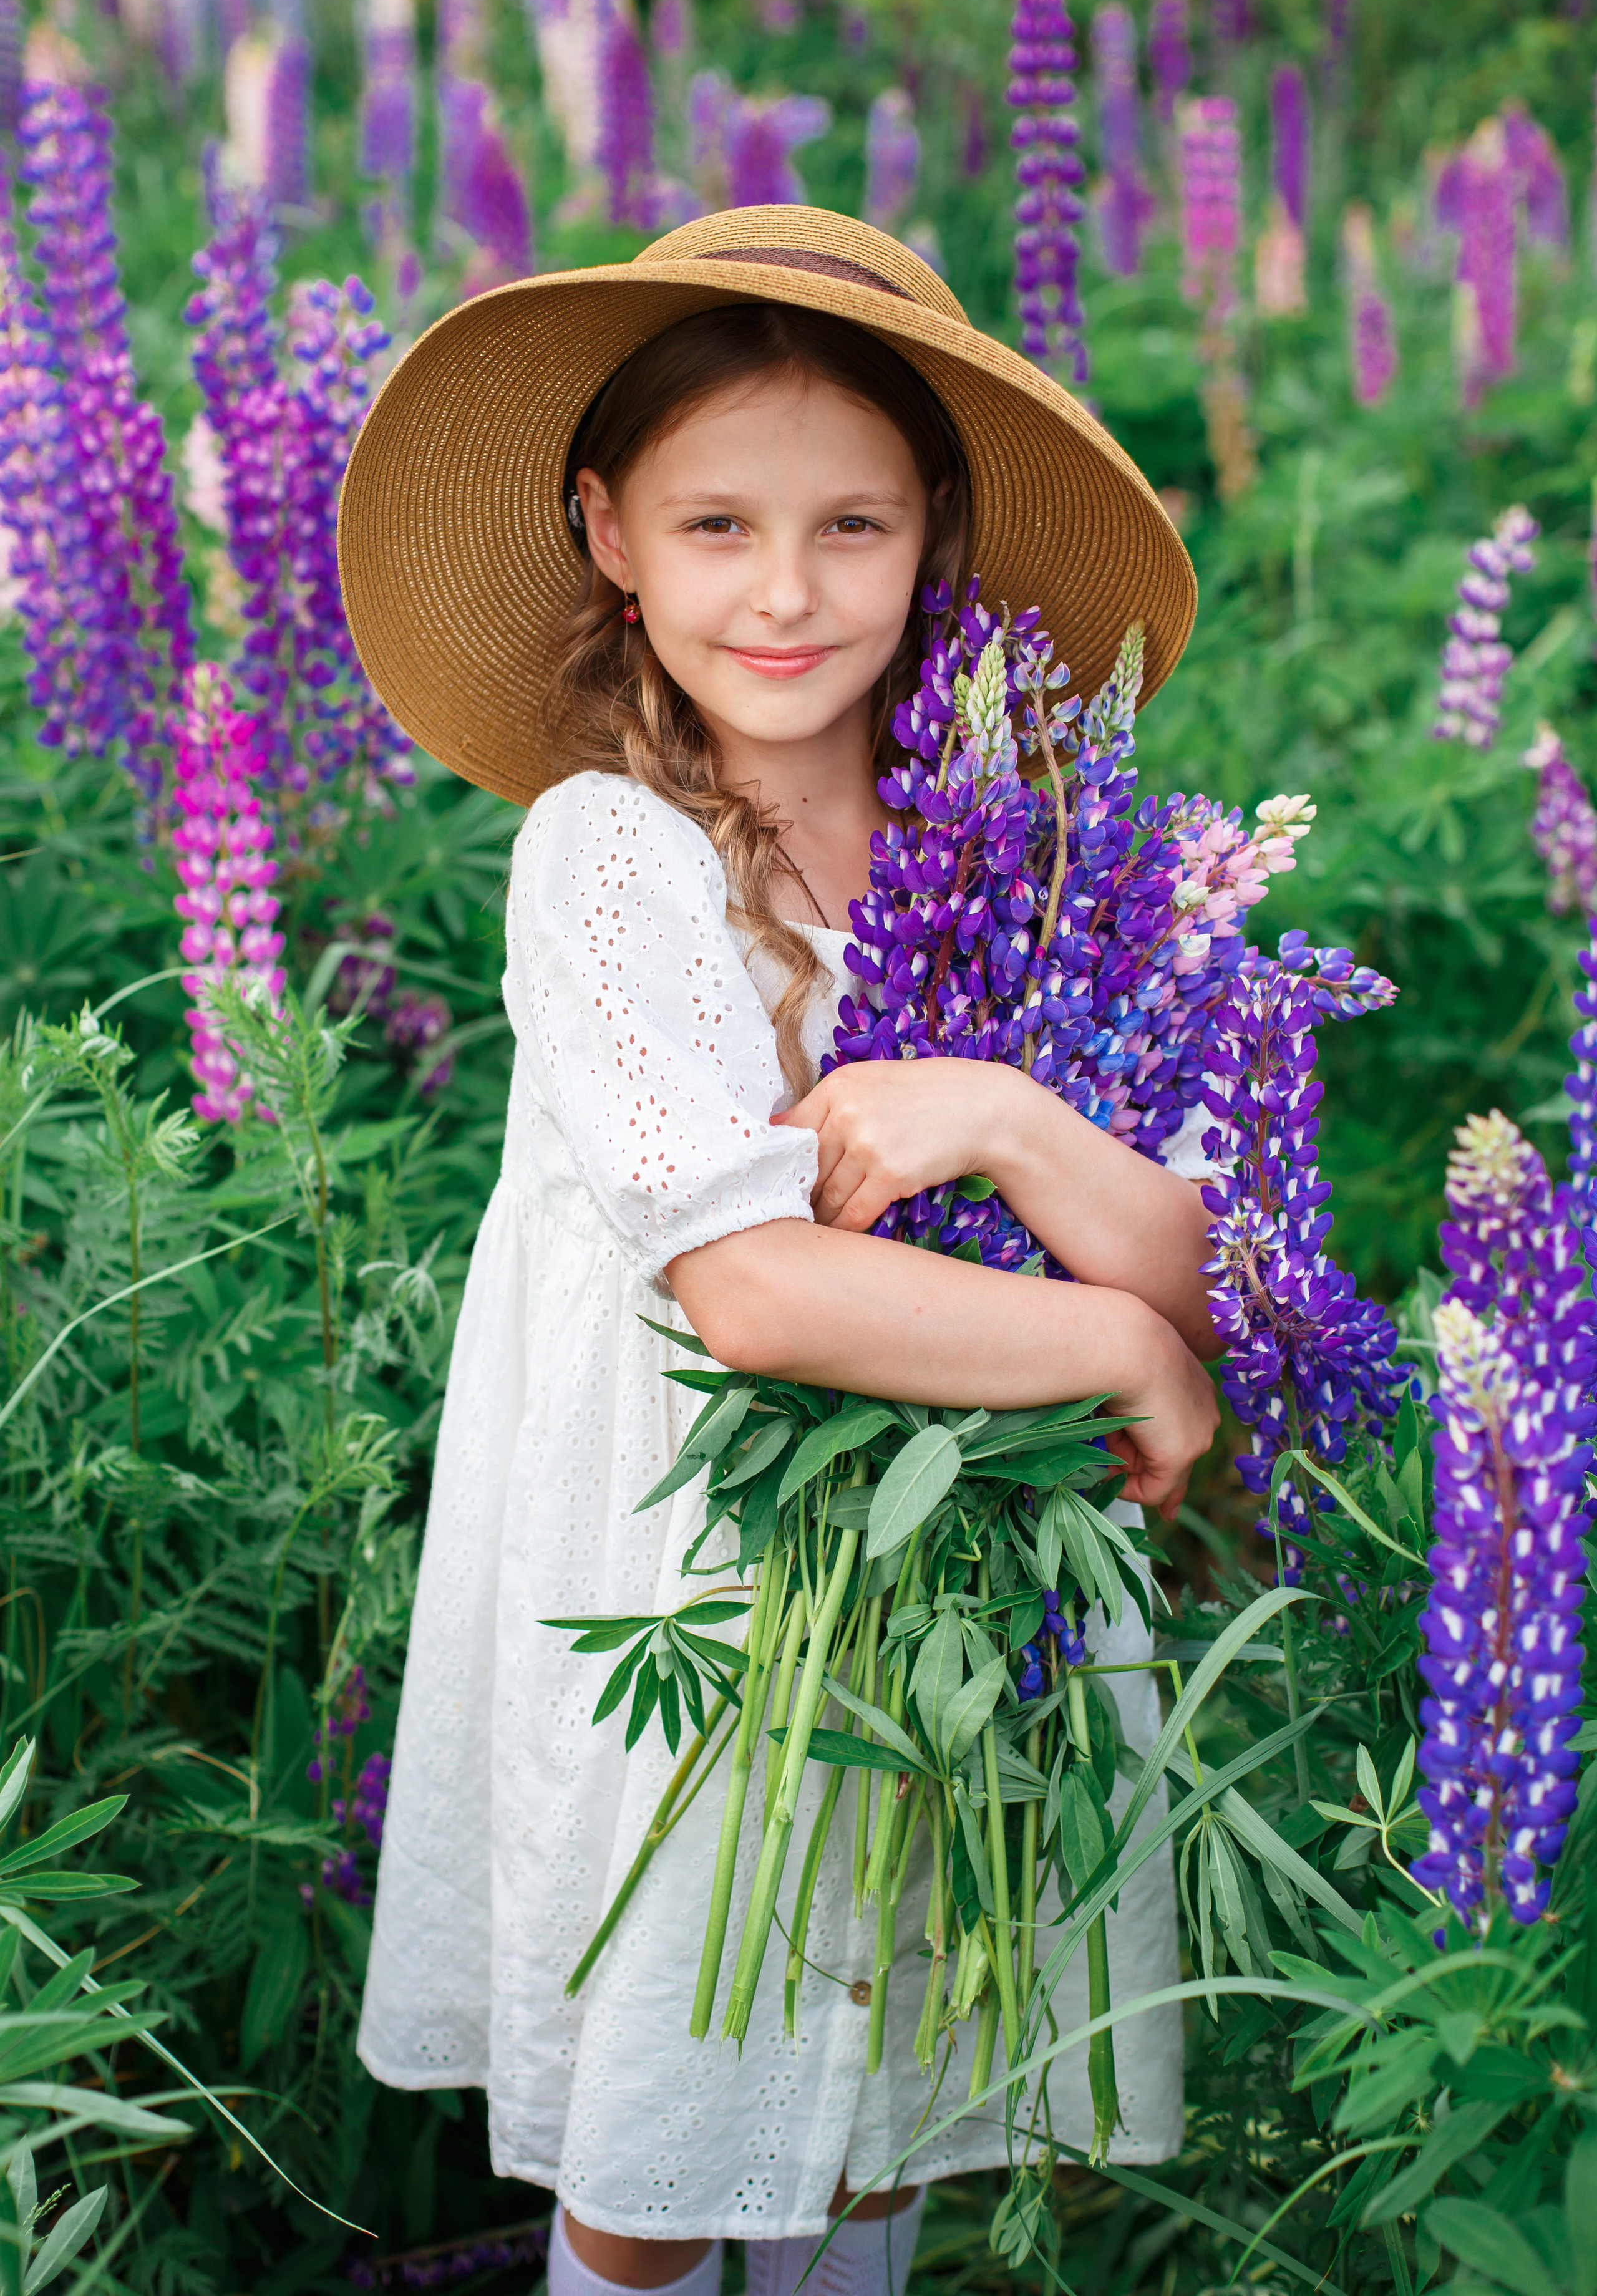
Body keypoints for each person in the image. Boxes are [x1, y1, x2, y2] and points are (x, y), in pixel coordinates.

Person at [339, 206, 1217, 2296]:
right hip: (693, 1614)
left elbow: (1187, 1250)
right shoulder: (610, 852)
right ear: (610, 535)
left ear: (934, 538)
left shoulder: (1014, 854)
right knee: (661, 2159)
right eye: (717, 522)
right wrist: (1114, 1350)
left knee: (870, 2139)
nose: (788, 590)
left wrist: (1009, 1116)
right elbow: (751, 1288)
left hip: (945, 1603)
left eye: (853, 524)